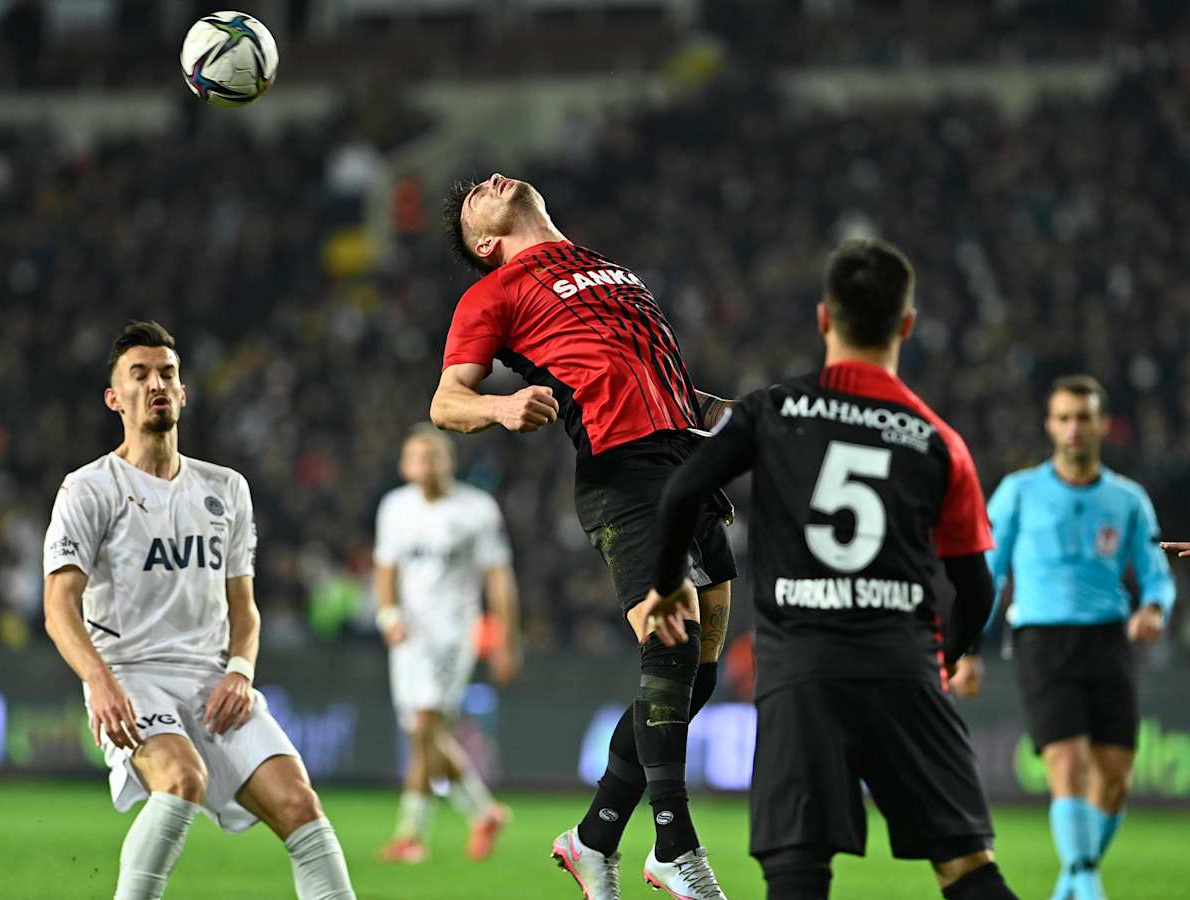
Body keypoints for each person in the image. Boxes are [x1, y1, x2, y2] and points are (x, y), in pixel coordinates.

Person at [645, 238, 1019, 900]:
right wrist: (945, 657)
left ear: (823, 318)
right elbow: (977, 589)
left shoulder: (772, 410)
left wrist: (669, 582)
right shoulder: (938, 441)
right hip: (903, 670)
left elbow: (681, 491)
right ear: (907, 325)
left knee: (798, 875)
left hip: (801, 677)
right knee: (969, 870)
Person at [433, 173, 736, 899]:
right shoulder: (492, 294)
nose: (490, 182)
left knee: (698, 674)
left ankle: (593, 839)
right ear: (486, 243)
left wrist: (734, 418)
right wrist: (501, 409)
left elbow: (656, 376)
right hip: (622, 469)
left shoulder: (608, 267)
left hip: (688, 460)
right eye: (475, 197)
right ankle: (675, 847)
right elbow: (446, 402)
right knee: (671, 644)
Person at [42, 321, 356, 900]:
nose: (155, 384)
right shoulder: (88, 489)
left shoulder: (226, 488)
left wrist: (240, 670)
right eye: (139, 375)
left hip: (213, 682)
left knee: (300, 805)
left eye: (167, 374)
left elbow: (244, 606)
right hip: (131, 678)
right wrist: (98, 681)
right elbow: (58, 605)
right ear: (115, 398)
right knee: (183, 779)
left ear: (183, 393)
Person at [952, 375, 1175, 900]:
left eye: (1084, 417)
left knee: (1115, 778)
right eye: (1065, 418)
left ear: (1102, 425)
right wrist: (968, 647)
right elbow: (988, 575)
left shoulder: (1127, 499)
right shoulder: (1020, 492)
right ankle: (1088, 882)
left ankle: (1072, 880)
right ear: (1050, 425)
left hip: (1108, 641)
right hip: (1042, 639)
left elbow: (1157, 574)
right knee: (1066, 762)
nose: (1074, 427)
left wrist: (1154, 608)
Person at [373, 423, 519, 864]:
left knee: (424, 726)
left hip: (453, 634)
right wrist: (388, 615)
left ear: (449, 462)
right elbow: (385, 568)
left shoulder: (476, 509)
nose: (425, 464)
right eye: (416, 457)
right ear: (404, 465)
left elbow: (498, 576)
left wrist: (506, 639)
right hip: (409, 636)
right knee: (424, 734)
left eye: (433, 456)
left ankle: (410, 835)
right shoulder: (394, 507)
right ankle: (484, 812)